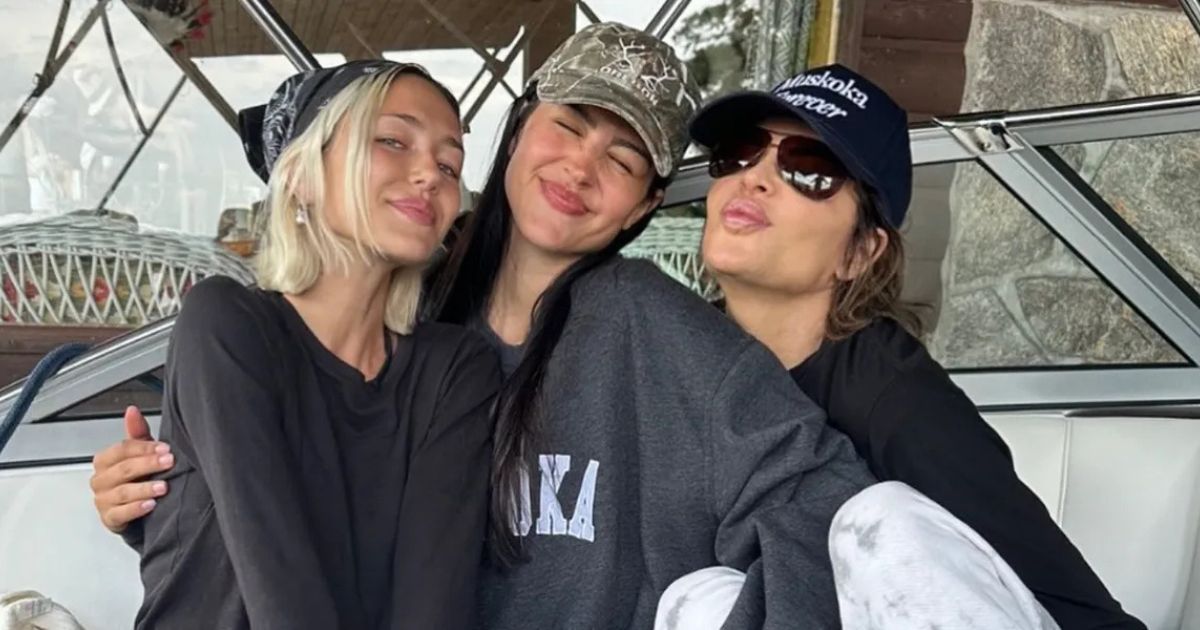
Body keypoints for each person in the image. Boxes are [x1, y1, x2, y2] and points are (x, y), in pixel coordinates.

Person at [90, 24, 874, 629]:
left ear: (642, 206)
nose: (580, 167)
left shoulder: (644, 324)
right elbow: (285, 525)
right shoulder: (410, 316)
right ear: (520, 129)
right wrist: (174, 495)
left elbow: (828, 504)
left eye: (623, 159)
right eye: (569, 124)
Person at [656, 64, 1145, 630]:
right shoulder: (681, 360)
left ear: (860, 253)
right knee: (698, 599)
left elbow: (1079, 609)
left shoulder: (898, 402)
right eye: (740, 153)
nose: (755, 179)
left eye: (809, 169)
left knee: (880, 521)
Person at [130, 60, 503, 629]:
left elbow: (433, 606)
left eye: (450, 165)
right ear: (301, 176)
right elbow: (278, 590)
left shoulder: (455, 370)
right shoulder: (228, 325)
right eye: (392, 140)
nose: (431, 173)